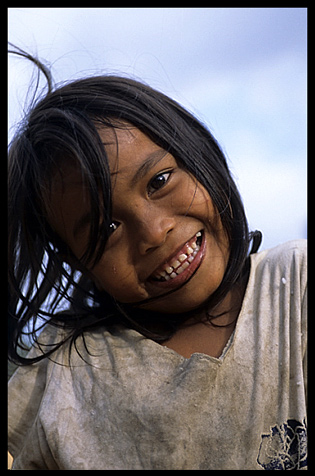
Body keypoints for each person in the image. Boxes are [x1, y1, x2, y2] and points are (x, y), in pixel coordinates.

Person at [8, 46, 307, 470]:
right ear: (79, 263)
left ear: (198, 153)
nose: (153, 232)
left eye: (159, 181)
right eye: (106, 230)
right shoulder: (65, 366)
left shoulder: (295, 287)